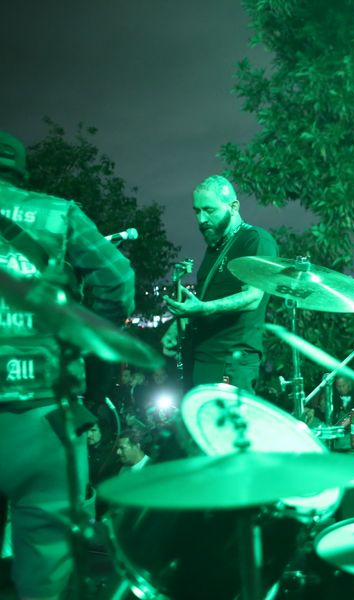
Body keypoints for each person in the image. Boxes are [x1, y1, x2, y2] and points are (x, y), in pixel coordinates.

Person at [0, 130, 135, 600]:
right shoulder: (59, 214)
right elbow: (117, 278)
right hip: (48, 422)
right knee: (49, 582)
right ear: (21, 173)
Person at [161, 175, 278, 392]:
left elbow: (253, 297)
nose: (201, 219)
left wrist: (204, 308)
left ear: (233, 207)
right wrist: (177, 327)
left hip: (231, 360)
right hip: (201, 359)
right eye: (197, 211)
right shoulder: (214, 248)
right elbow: (205, 298)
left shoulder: (255, 239)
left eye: (209, 210)